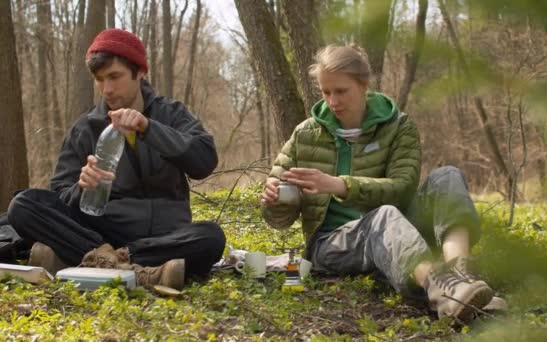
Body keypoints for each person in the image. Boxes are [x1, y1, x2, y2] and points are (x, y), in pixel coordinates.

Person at [262, 44, 505, 322]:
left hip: (399, 230)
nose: (332, 101)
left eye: (341, 91)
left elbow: (403, 188)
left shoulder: (399, 126)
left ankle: (460, 277)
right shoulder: (305, 134)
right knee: (383, 216)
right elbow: (279, 219)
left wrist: (340, 185)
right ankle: (442, 290)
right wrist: (274, 200)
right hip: (332, 244)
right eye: (325, 92)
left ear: (364, 85)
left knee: (447, 176)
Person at [7, 29, 225, 290]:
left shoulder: (172, 114)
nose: (107, 89)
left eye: (115, 77)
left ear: (140, 72)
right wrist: (81, 187)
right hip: (102, 233)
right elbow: (60, 194)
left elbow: (204, 161)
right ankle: (137, 269)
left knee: (211, 237)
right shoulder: (86, 127)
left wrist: (150, 129)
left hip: (165, 236)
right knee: (23, 205)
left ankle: (84, 261)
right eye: (100, 80)